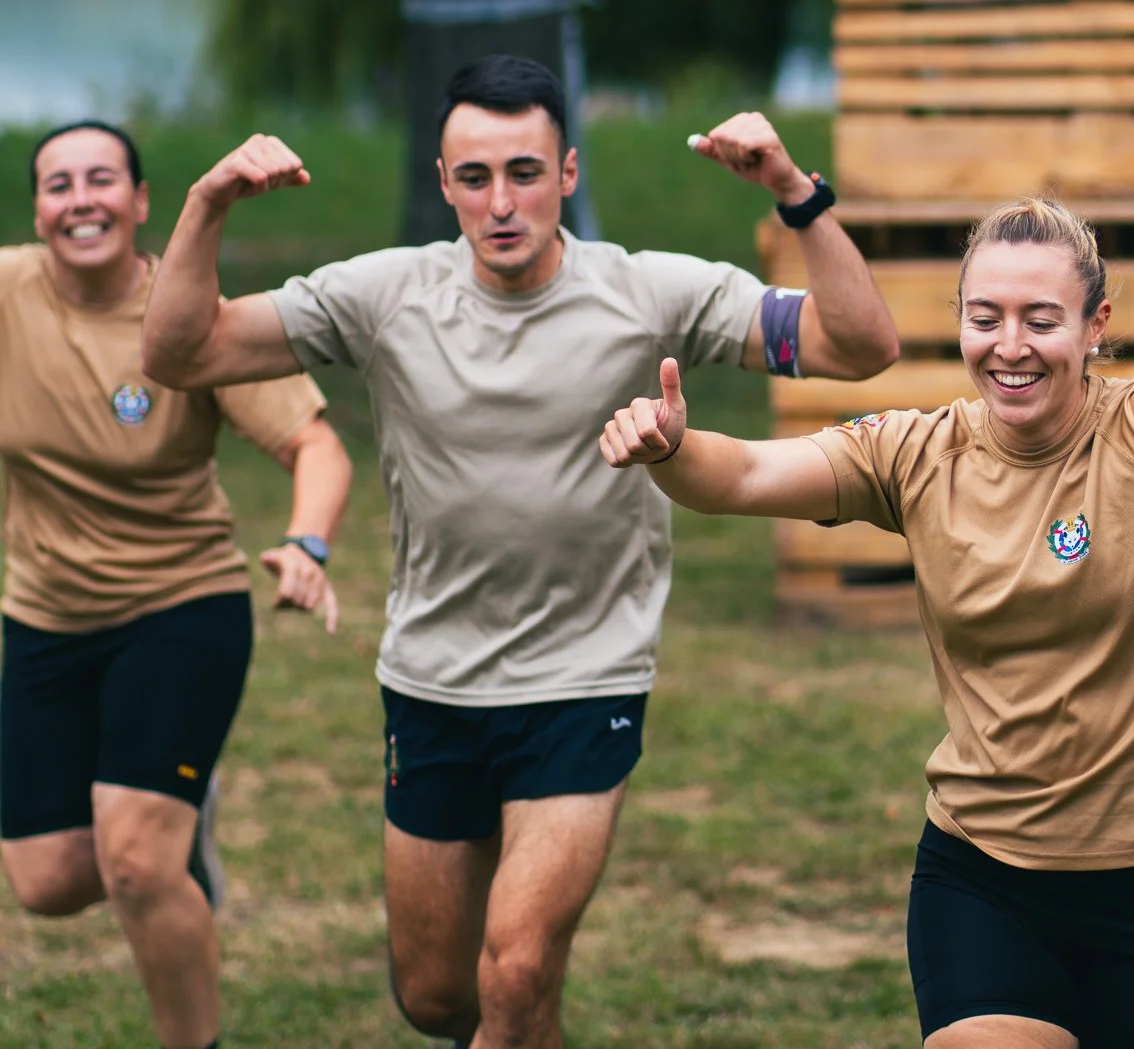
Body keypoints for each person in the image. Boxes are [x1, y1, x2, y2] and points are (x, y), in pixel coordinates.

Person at [600, 109, 1134, 1048]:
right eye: (985, 318)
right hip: (983, 878)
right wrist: (671, 447)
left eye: (1042, 320)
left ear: (1095, 325)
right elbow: (745, 473)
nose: (1011, 346)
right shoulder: (917, 454)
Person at [139, 54, 899, 1048]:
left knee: (520, 966)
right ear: (445, 182)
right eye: (475, 177)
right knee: (441, 999)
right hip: (434, 679)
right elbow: (178, 354)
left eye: (526, 173)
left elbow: (860, 344)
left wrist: (796, 195)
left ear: (569, 172)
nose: (503, 203)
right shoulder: (384, 295)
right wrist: (205, 204)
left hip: (587, 675)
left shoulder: (649, 290)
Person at [0, 120, 352, 1049]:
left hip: (180, 605)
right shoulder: (5, 293)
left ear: (142, 202)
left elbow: (314, 442)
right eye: (58, 184)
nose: (80, 200)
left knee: (134, 864)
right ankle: (183, 831)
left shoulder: (184, 315)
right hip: (43, 612)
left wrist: (307, 547)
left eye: (102, 180)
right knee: (46, 881)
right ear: (37, 208)